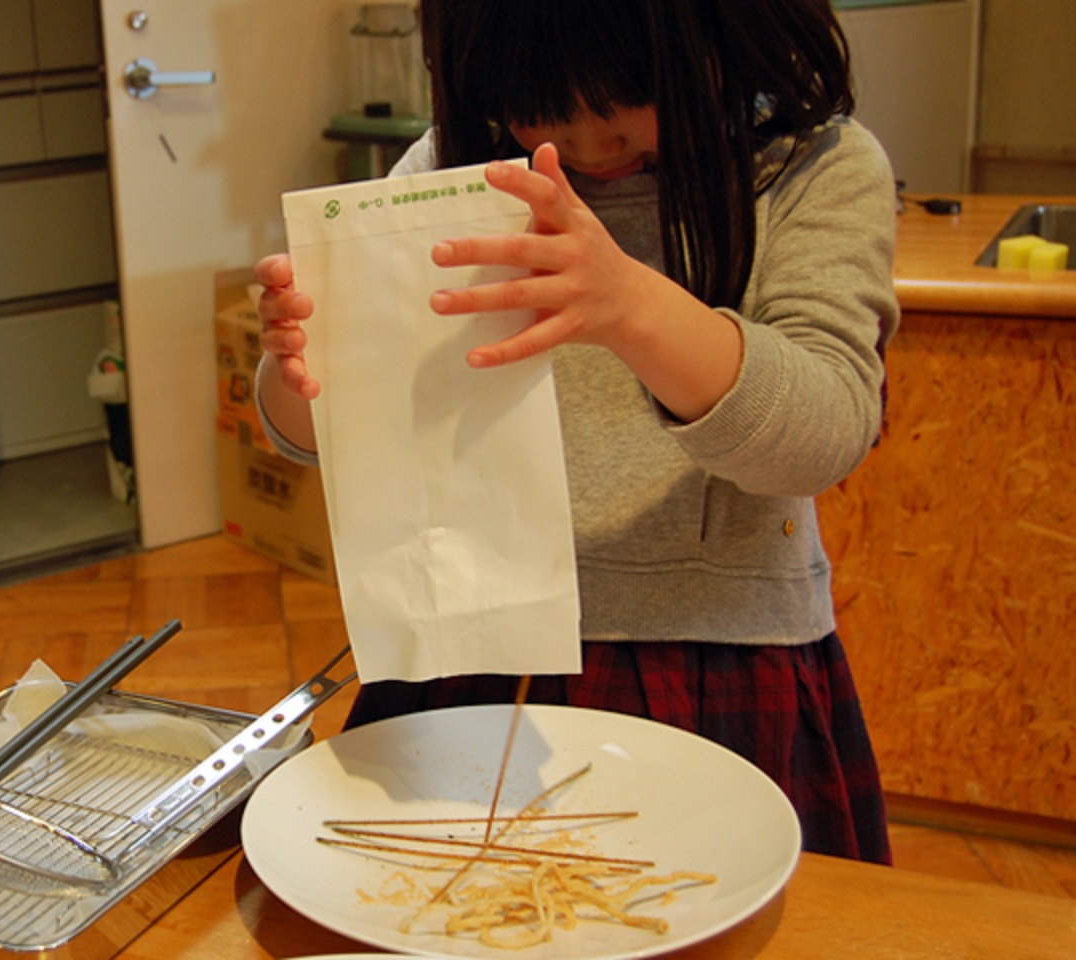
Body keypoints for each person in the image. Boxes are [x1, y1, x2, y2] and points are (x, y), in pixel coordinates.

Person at [255, 0, 898, 864]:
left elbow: (826, 431)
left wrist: (631, 307)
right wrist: (300, 366)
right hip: (472, 653)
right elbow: (316, 431)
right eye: (543, 105)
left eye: (627, 95)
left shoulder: (810, 168)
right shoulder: (457, 171)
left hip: (718, 657)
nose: (589, 142)